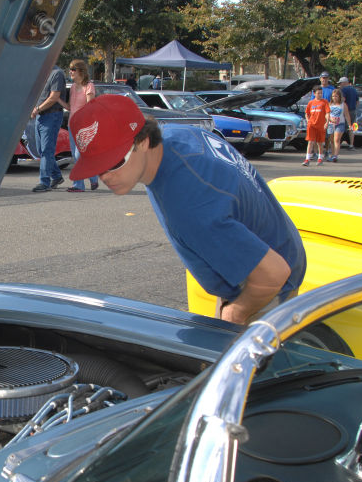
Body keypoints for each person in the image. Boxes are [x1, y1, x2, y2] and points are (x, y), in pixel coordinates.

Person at [67, 94, 306, 325]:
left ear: (144, 141)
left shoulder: (192, 204)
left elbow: (273, 274)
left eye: (114, 162)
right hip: (265, 254)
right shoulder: (175, 137)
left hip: (267, 284)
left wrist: (236, 312)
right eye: (96, 166)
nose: (105, 176)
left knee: (236, 363)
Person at [30, 65, 68, 192]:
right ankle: (56, 176)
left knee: (47, 150)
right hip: (40, 116)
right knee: (41, 150)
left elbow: (54, 96)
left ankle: (44, 182)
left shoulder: (57, 73)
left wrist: (38, 109)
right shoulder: (43, 72)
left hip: (51, 115)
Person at [66, 59, 98, 192]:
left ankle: (78, 185)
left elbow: (91, 107)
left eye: (73, 69)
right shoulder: (73, 87)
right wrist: (57, 100)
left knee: (79, 155)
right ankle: (93, 176)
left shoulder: (89, 86)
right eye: (70, 69)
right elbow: (70, 107)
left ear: (81, 71)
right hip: (72, 125)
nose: (71, 72)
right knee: (76, 155)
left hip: (84, 126)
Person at [303, 86, 329, 166]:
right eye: (318, 93)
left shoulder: (324, 102)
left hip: (321, 125)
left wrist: (327, 122)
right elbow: (306, 113)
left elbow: (327, 113)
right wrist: (308, 120)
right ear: (314, 94)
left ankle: (320, 158)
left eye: (321, 93)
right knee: (310, 142)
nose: (320, 95)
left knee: (320, 143)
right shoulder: (311, 103)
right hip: (311, 125)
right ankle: (307, 159)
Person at [326, 88, 350, 162]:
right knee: (332, 140)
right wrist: (330, 119)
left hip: (340, 124)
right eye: (333, 96)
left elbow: (347, 115)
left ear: (339, 97)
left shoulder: (343, 105)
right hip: (331, 124)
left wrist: (350, 125)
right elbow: (326, 115)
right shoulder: (330, 104)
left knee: (336, 139)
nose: (334, 98)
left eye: (336, 96)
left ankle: (335, 156)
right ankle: (332, 155)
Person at [338, 77, 359, 151]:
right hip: (353, 111)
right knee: (351, 128)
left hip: (345, 111)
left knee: (341, 126)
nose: (340, 85)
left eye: (340, 83)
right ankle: (351, 144)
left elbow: (343, 100)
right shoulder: (354, 90)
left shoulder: (343, 90)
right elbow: (357, 101)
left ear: (344, 83)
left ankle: (337, 143)